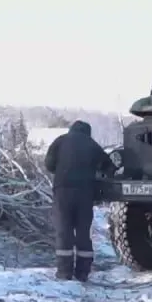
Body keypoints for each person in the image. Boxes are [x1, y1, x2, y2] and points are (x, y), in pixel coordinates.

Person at [43, 120, 115, 282]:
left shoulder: (60, 141)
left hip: (63, 191)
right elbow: (109, 168)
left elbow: (49, 164)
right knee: (83, 232)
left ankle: (64, 272)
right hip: (85, 193)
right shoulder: (92, 145)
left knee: (64, 231)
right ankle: (82, 273)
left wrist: (62, 170)